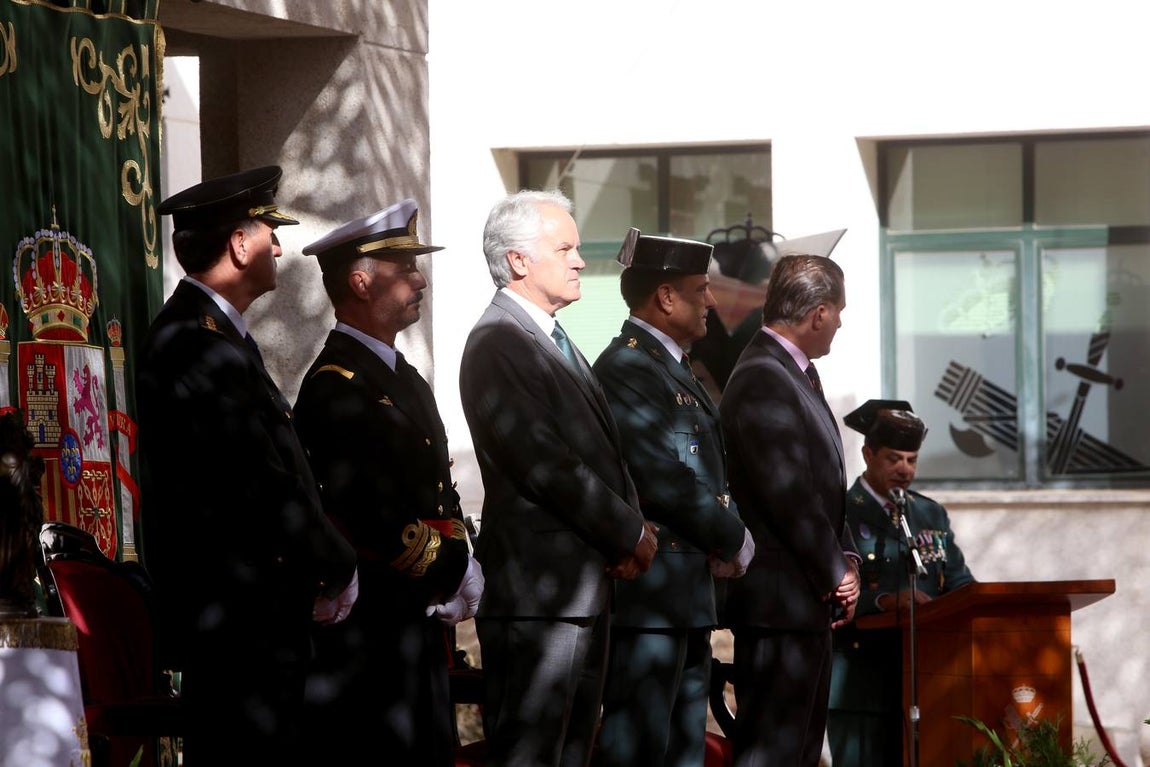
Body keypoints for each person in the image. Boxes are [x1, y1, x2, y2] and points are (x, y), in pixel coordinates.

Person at [136, 166, 359, 765]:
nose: (279, 246)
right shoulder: (193, 340)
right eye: (269, 232)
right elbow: (257, 479)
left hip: (261, 610)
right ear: (239, 244)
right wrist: (335, 562)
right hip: (237, 618)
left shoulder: (220, 335)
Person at [459, 189, 658, 767]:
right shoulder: (499, 341)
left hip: (580, 587)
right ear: (518, 260)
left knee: (571, 752)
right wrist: (627, 532)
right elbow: (547, 464)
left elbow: (605, 454)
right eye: (565, 248)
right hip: (539, 598)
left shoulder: (549, 335)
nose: (579, 260)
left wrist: (631, 528)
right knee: (533, 753)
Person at [292, 199, 484, 765]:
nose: (420, 280)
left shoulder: (400, 375)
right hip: (370, 627)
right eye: (405, 270)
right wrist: (451, 569)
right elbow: (369, 512)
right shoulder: (337, 384)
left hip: (413, 615)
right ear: (360, 281)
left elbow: (436, 491)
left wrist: (459, 557)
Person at [591, 228, 754, 767]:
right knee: (639, 749)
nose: (711, 301)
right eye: (701, 288)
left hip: (685, 596)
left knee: (683, 750)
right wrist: (732, 536)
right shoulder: (627, 367)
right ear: (665, 297)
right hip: (651, 601)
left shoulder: (672, 364)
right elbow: (660, 475)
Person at [717, 253, 861, 767]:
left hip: (804, 596)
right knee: (772, 753)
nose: (841, 323)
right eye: (839, 312)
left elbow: (824, 488)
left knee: (799, 752)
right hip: (779, 601)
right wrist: (835, 570)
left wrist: (845, 557)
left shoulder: (794, 373)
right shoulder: (763, 375)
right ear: (818, 313)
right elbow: (789, 492)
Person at [827, 399, 976, 767]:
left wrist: (973, 605)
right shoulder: (840, 511)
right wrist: (882, 601)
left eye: (911, 460)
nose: (904, 470)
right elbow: (826, 593)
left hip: (927, 680)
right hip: (860, 683)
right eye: (894, 458)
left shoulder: (928, 513)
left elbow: (958, 582)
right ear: (868, 454)